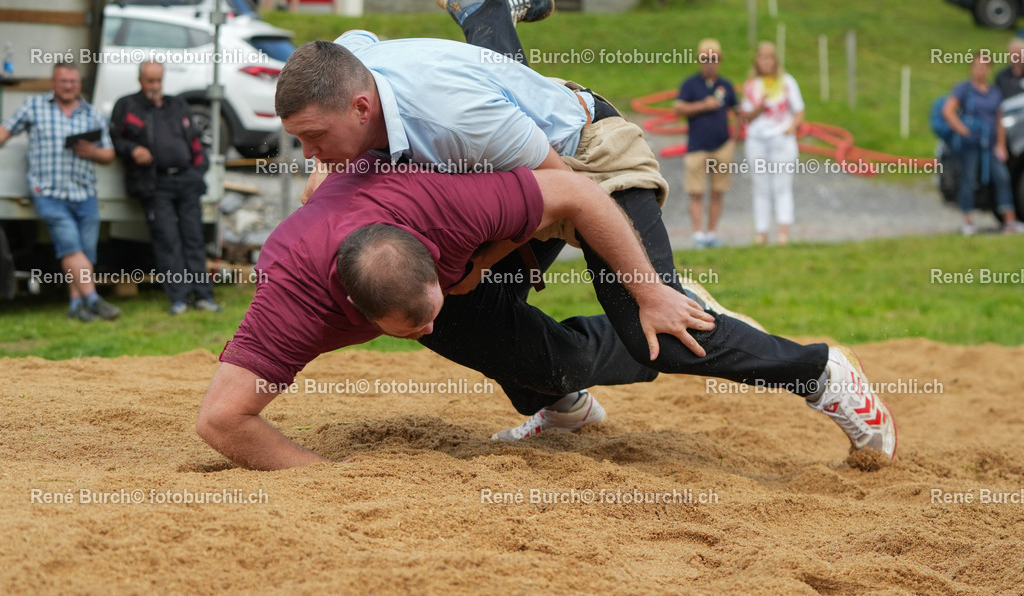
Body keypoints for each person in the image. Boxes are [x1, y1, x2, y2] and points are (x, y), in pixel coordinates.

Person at [196, 160, 896, 471]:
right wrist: (322, 475)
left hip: (587, 166)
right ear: (357, 314)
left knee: (650, 334)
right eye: (414, 324)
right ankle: (561, 405)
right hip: (489, 227)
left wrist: (647, 288)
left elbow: (574, 189)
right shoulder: (291, 302)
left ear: (430, 251)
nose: (430, 324)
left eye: (435, 299)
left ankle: (817, 370)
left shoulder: (440, 207)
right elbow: (223, 419)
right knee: (494, 338)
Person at [0, 61, 121, 322]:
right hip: (49, 192)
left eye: (73, 82)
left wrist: (93, 152)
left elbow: (108, 153)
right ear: (54, 82)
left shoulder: (91, 113)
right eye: (63, 81)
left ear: (79, 84)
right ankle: (94, 300)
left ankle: (76, 306)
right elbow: (6, 130)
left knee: (85, 253)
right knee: (70, 248)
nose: (68, 86)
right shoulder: (34, 107)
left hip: (84, 192)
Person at [109, 61, 221, 314]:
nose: (155, 86)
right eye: (150, 81)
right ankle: (180, 299)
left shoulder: (176, 104)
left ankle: (204, 296)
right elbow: (115, 138)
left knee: (194, 238)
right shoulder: (127, 106)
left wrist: (197, 171)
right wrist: (133, 149)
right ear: (140, 81)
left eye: (159, 81)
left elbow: (195, 140)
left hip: (186, 181)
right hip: (154, 183)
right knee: (167, 240)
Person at [941, 51, 1024, 235]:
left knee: (1002, 177)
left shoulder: (994, 92)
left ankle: (1010, 220)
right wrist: (963, 130)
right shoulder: (964, 89)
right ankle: (968, 221)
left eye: (985, 67)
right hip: (970, 144)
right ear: (972, 68)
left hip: (991, 144)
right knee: (968, 179)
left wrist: (1001, 145)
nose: (981, 70)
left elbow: (999, 118)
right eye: (978, 66)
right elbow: (948, 110)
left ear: (989, 69)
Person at [672, 38, 738, 248]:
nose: (710, 62)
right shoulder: (690, 85)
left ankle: (711, 233)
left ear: (720, 60)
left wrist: (734, 139)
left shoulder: (726, 86)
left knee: (718, 191)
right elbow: (678, 108)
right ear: (699, 60)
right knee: (696, 191)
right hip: (696, 146)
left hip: (722, 146)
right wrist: (703, 105)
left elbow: (739, 112)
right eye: (706, 58)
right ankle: (698, 234)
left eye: (714, 58)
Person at [739, 42, 804, 246]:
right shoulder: (751, 85)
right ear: (756, 61)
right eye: (762, 57)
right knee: (760, 186)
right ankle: (762, 233)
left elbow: (799, 110)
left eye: (769, 57)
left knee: (782, 185)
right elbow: (746, 115)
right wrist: (759, 105)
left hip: (781, 140)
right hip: (757, 140)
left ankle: (783, 233)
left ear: (776, 60)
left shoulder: (787, 82)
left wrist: (791, 128)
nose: (766, 61)